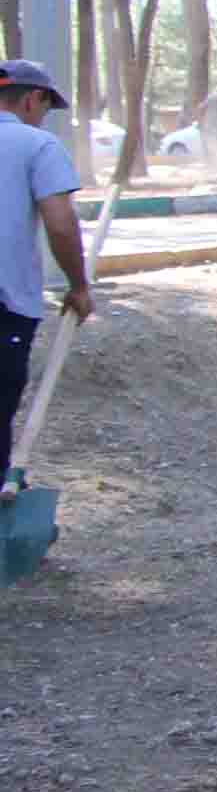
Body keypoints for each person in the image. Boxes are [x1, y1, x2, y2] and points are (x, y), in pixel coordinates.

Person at [0, 63, 91, 500]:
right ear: (32, 99)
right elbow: (59, 223)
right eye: (45, 107)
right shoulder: (35, 145)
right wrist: (78, 285)